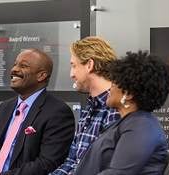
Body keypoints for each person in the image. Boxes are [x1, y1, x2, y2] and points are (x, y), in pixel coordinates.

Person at [0, 48, 75, 175]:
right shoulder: (4, 108)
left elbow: (47, 163)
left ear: (41, 75)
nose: (14, 69)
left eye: (23, 66)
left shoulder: (58, 112)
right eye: (15, 64)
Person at [74, 51, 169, 174]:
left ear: (128, 94)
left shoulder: (141, 127)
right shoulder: (128, 123)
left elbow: (118, 173)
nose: (110, 88)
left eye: (114, 82)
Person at [50, 36, 120, 175]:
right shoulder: (90, 107)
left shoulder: (116, 109)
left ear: (89, 65)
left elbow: (104, 167)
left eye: (74, 65)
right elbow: (72, 162)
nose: (71, 74)